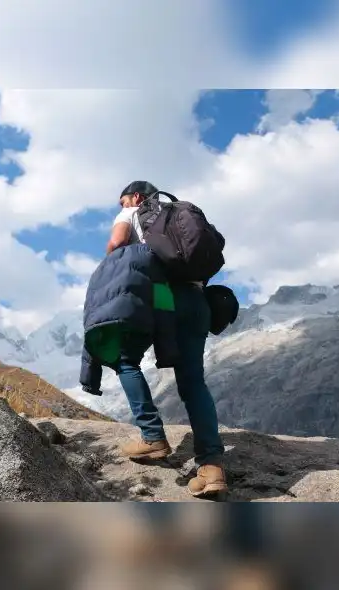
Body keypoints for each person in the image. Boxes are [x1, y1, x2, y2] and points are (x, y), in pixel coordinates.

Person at [106, 180, 227, 498]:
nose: (121, 207)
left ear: (134, 197)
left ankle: (152, 437)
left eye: (122, 201)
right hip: (198, 301)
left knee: (123, 358)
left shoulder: (132, 213)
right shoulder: (182, 215)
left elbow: (116, 246)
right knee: (193, 383)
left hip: (160, 295)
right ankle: (212, 467)